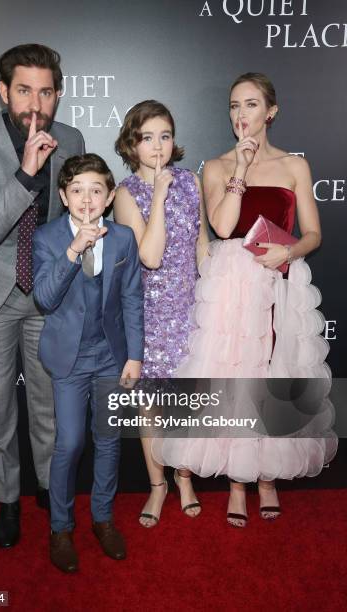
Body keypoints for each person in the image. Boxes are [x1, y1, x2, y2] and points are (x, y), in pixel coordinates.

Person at [152, 73, 337, 527]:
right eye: (235, 106)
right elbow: (220, 225)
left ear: (270, 111)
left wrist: (289, 250)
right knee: (233, 380)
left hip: (277, 281)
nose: (241, 115)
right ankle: (238, 482)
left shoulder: (295, 166)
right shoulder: (214, 167)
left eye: (251, 105)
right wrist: (239, 168)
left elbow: (313, 234)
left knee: (272, 376)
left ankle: (267, 479)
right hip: (232, 285)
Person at [0, 44, 85, 548]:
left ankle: (49, 492)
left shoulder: (70, 138)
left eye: (45, 91)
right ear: (4, 91)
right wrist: (26, 173)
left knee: (47, 403)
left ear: (58, 94)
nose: (35, 102)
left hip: (47, 293)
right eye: (24, 90)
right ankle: (7, 500)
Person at [33, 153, 144, 572]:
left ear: (110, 195)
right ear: (63, 195)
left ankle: (103, 519)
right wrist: (73, 250)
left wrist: (135, 354)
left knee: (109, 441)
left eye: (96, 189)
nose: (86, 198)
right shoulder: (46, 239)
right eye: (76, 190)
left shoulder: (123, 239)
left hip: (110, 357)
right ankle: (60, 527)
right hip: (69, 358)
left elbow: (133, 299)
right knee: (71, 442)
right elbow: (43, 298)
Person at [114, 100, 209, 527]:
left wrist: (215, 299)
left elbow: (202, 245)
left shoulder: (191, 181)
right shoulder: (123, 194)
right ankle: (158, 485)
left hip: (190, 309)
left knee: (185, 402)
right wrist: (158, 193)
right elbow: (150, 256)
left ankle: (185, 478)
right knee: (150, 407)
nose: (157, 146)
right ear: (132, 144)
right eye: (147, 137)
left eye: (165, 136)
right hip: (149, 316)